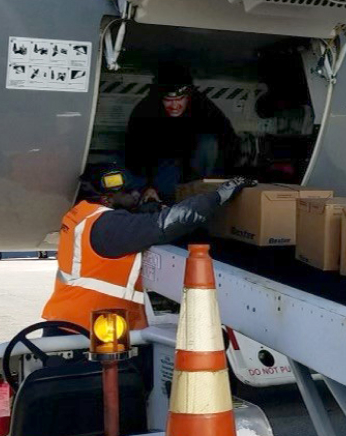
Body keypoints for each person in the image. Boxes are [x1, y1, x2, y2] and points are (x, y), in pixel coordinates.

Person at [42, 164, 255, 331]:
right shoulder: (108, 226)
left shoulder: (83, 214)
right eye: (129, 193)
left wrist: (144, 210)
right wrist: (218, 196)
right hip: (89, 331)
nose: (136, 195)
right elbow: (167, 224)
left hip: (73, 322)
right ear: (106, 198)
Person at [125, 62, 238, 203]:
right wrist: (147, 187)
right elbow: (134, 154)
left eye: (180, 99)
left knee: (208, 144)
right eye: (168, 100)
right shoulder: (144, 112)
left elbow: (228, 139)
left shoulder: (203, 107)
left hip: (195, 163)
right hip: (163, 163)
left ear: (188, 96)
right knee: (163, 194)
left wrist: (219, 180)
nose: (174, 106)